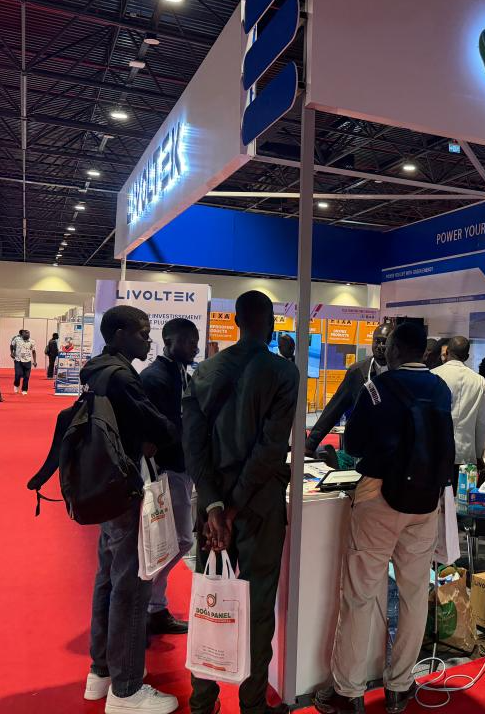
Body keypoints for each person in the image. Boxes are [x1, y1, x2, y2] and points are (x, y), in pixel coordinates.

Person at [315, 322, 455, 714]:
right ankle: (400, 685)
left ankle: (348, 691)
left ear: (395, 349)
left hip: (379, 497)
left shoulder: (377, 388)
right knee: (414, 594)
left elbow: (355, 443)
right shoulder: (440, 388)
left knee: (360, 594)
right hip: (425, 500)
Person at [184, 290, 299, 714]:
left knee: (209, 599)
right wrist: (231, 508)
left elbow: (193, 445)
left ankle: (203, 701)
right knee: (258, 605)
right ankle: (252, 704)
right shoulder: (283, 372)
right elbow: (271, 448)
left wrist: (215, 506)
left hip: (212, 509)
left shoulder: (205, 370)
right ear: (270, 324)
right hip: (260, 505)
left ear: (235, 321)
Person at [81, 306, 181, 713]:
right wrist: (158, 433)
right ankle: (126, 689)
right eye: (142, 332)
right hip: (126, 489)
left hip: (106, 488)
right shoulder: (123, 378)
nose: (148, 339)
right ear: (119, 333)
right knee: (132, 586)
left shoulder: (96, 370)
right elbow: (162, 427)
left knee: (108, 579)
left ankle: (102, 672)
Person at [139, 318, 200, 637]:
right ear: (169, 341)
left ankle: (154, 606)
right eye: (189, 341)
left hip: (181, 465)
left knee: (173, 540)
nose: (194, 347)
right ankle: (146, 602)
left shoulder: (181, 374)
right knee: (178, 540)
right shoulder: (155, 378)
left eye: (195, 341)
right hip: (165, 470)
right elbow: (156, 427)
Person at [305, 322, 394, 456]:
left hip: (393, 449)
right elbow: (335, 408)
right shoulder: (357, 371)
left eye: (385, 342)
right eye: (377, 341)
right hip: (363, 449)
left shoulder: (402, 373)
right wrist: (311, 444)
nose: (380, 346)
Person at [432, 336, 485, 469]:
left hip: (436, 451)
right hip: (466, 453)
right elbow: (482, 422)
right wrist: (479, 454)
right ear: (467, 357)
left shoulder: (432, 375)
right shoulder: (479, 380)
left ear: (447, 352)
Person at [13, 328, 38, 395]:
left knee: (27, 376)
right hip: (18, 360)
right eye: (25, 334)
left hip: (27, 361)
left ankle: (24, 389)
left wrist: (35, 361)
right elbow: (12, 346)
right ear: (22, 335)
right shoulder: (17, 339)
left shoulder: (32, 341)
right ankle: (16, 385)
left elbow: (33, 351)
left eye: (28, 335)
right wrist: (12, 353)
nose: (27, 336)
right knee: (18, 374)